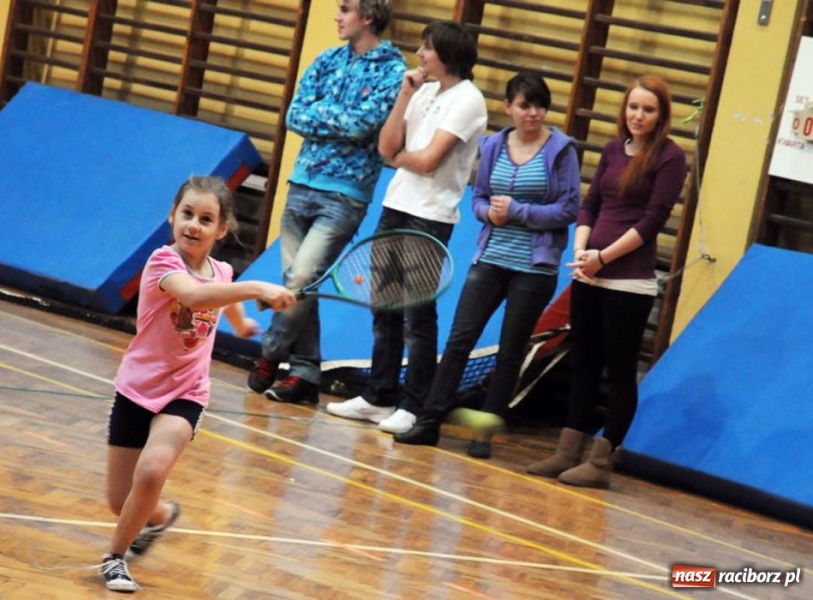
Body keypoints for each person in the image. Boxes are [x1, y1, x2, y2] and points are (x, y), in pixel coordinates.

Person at [100, 176, 296, 593]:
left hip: (186, 393)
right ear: (172, 215)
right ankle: (160, 515)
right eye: (187, 214)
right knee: (120, 500)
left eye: (206, 219)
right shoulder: (162, 264)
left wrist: (244, 324)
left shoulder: (222, 271)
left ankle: (114, 558)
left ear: (221, 229)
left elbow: (222, 295)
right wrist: (260, 286)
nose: (194, 224)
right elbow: (196, 297)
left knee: (151, 471)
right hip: (137, 388)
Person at [392, 72, 581, 457]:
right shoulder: (493, 145)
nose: (533, 113)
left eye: (540, 105)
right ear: (508, 107)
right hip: (490, 257)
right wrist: (488, 214)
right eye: (525, 105)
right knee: (460, 339)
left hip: (535, 265)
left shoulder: (561, 149)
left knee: (511, 350)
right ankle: (429, 422)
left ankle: (484, 434)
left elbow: (569, 208)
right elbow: (477, 197)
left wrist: (518, 211)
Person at [326, 21, 488, 434]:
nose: (419, 54)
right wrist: (403, 95)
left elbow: (430, 160)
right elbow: (386, 147)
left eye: (427, 48)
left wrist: (401, 156)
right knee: (384, 308)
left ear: (447, 55)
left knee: (417, 313)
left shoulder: (468, 100)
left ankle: (413, 403)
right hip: (395, 205)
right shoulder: (424, 91)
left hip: (430, 215)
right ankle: (378, 395)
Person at [526, 75, 687, 488]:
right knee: (583, 365)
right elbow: (591, 204)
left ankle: (601, 462)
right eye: (633, 107)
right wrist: (581, 252)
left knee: (617, 373)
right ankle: (567, 450)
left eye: (648, 109)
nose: (638, 115)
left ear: (661, 116)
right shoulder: (614, 149)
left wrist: (604, 258)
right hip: (589, 274)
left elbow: (652, 222)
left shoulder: (670, 158)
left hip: (627, 284)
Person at [247, 0, 406, 406]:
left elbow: (363, 125)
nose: (337, 16)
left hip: (345, 195)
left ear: (368, 17)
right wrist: (338, 118)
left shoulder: (392, 70)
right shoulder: (325, 59)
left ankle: (269, 353)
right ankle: (304, 372)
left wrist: (326, 116)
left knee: (298, 280)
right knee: (306, 286)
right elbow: (295, 115)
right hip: (300, 184)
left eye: (345, 8)